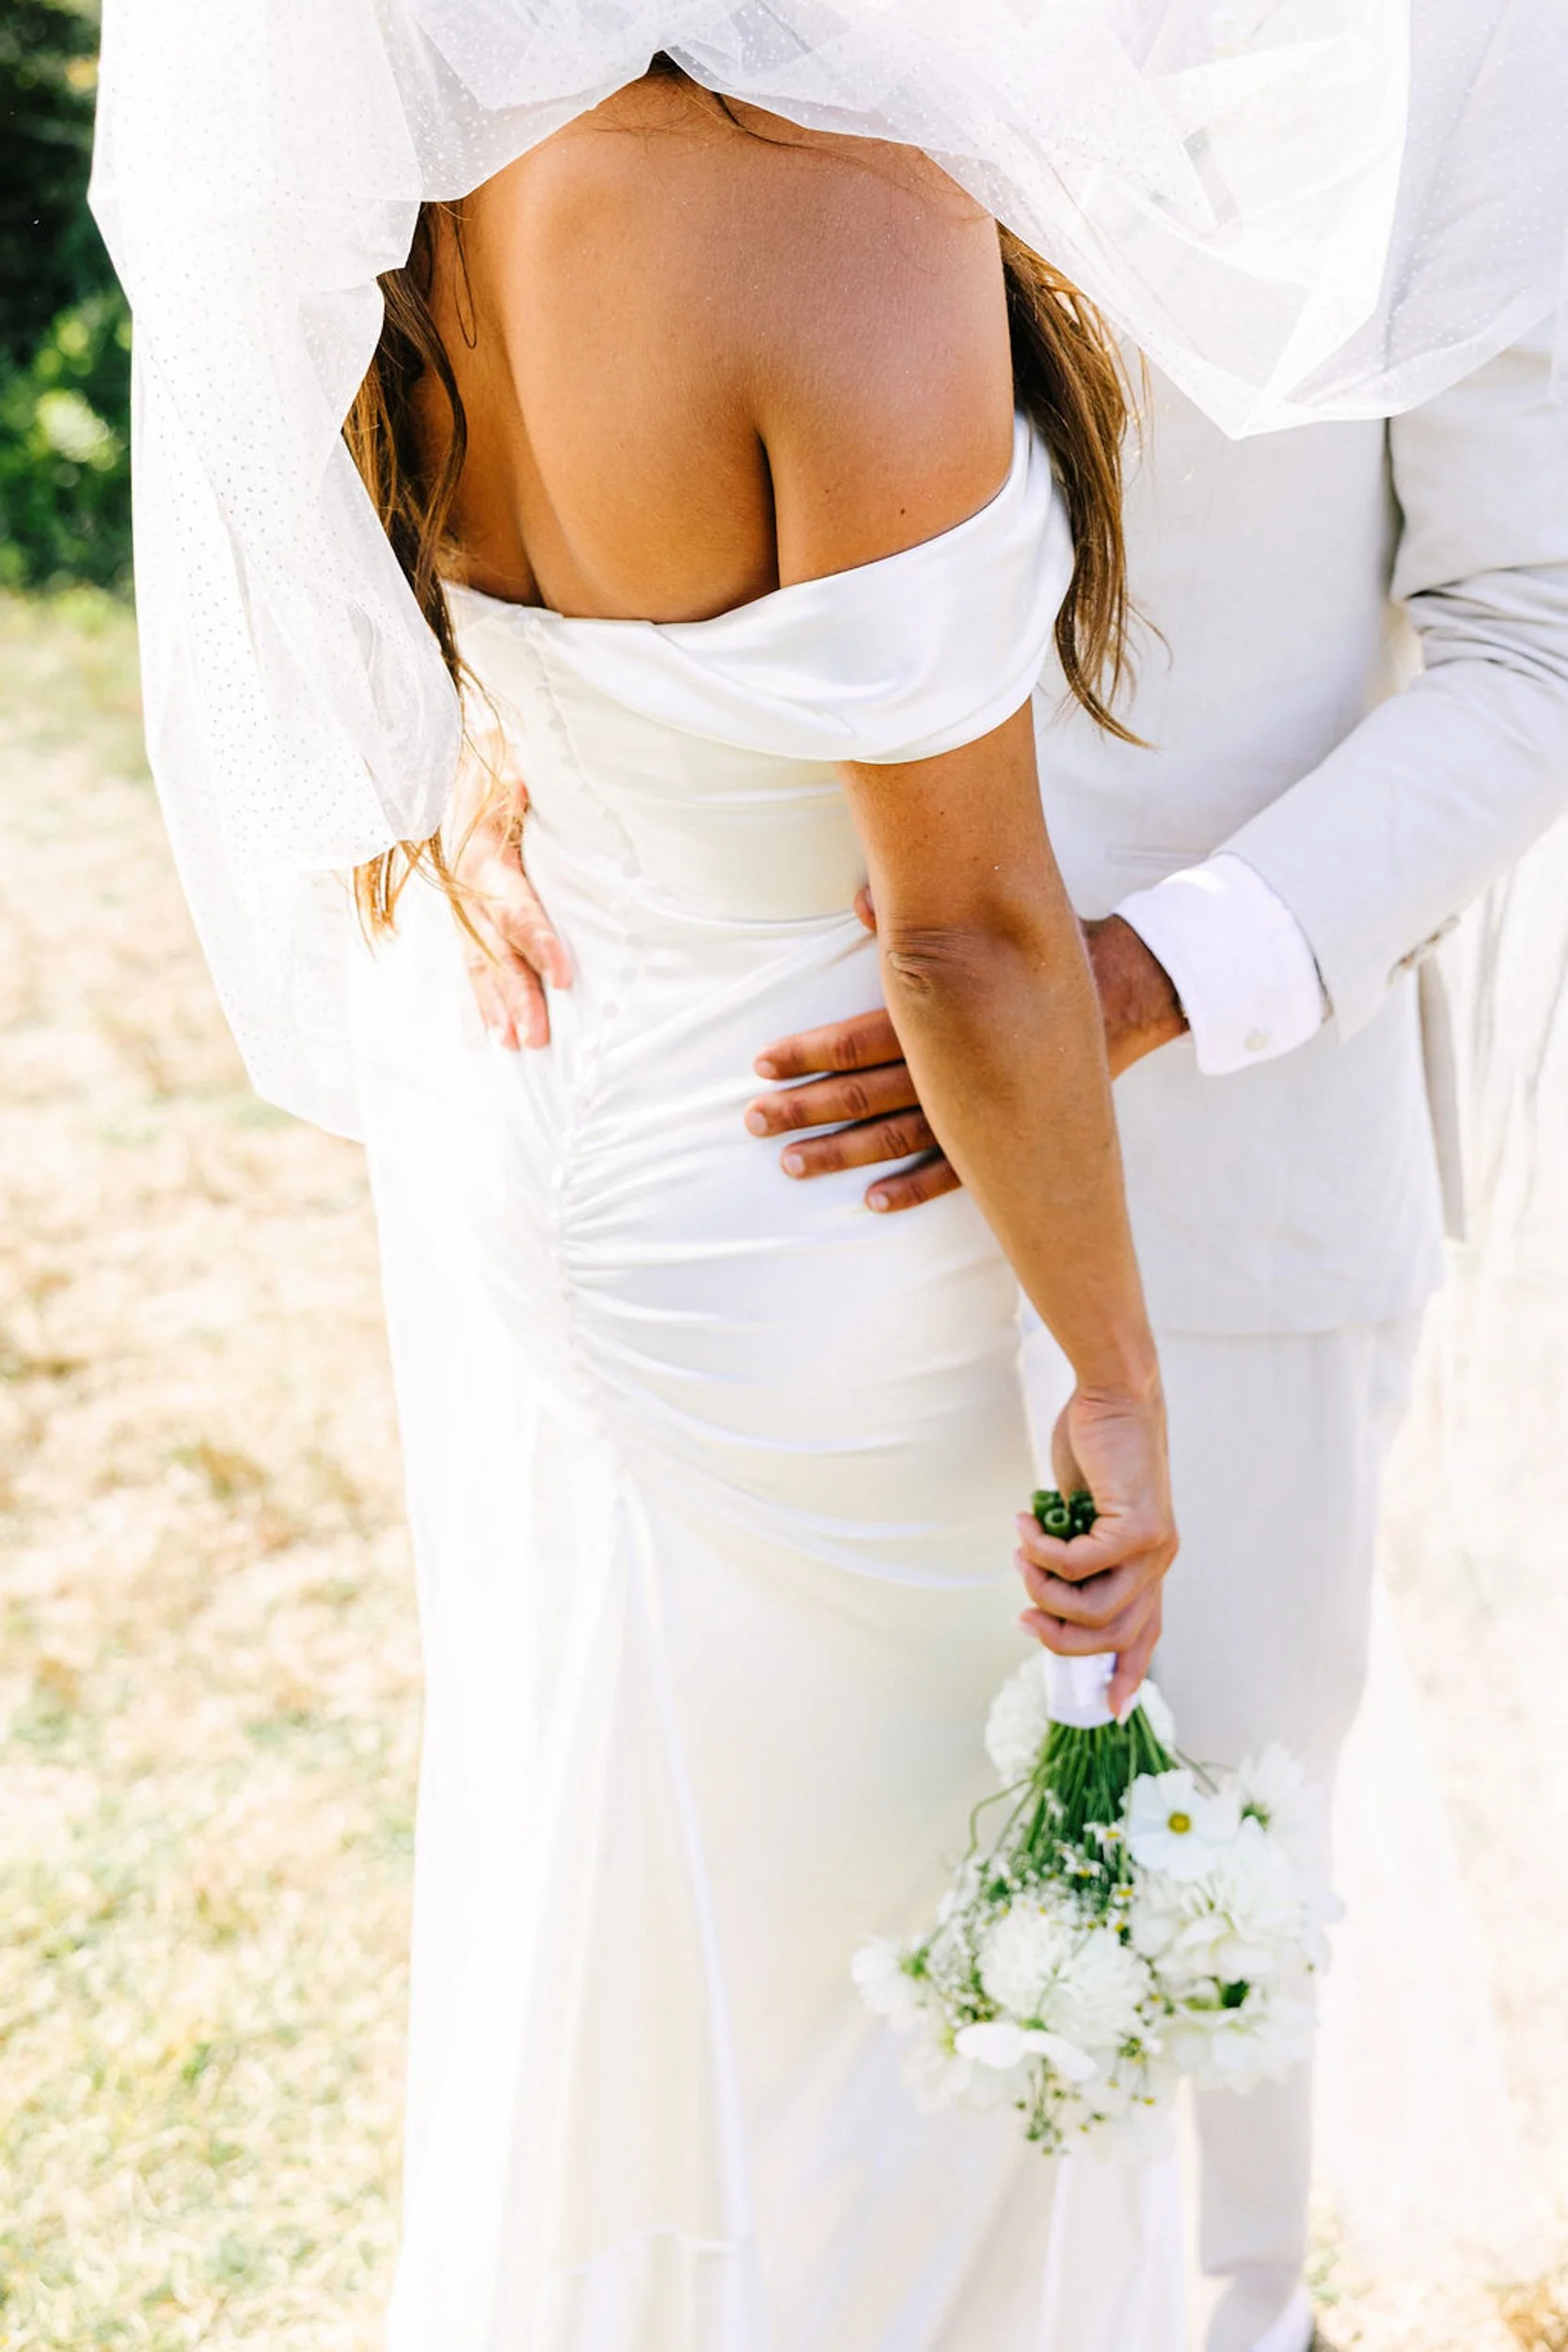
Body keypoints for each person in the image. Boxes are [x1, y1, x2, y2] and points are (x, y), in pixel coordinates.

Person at [470, 271, 1568, 2352]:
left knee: (1184, 1883)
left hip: (1229, 1158)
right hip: (770, 1169)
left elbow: (1540, 637)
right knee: (772, 1905)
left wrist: (1124, 983)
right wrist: (478, 749)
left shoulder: (1466, 53)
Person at [346, 63, 1182, 2348]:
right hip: (819, 1205)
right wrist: (1113, 1380)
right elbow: (965, 937)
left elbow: (444, 641)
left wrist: (491, 776)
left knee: (639, 1911)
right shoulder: (844, 219)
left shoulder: (423, 182)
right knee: (883, 2022)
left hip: (568, 1138)